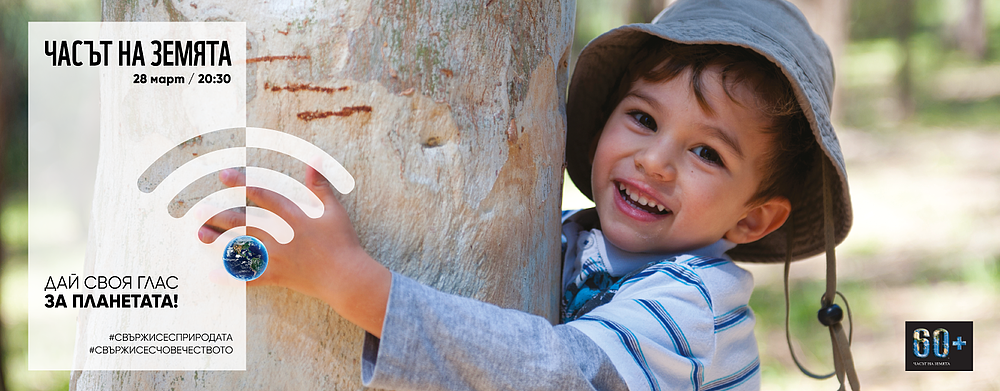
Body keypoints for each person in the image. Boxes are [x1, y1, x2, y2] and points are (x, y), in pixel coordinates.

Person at [200, 0, 855, 389]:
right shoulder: (575, 237)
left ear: (754, 216)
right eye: (644, 119)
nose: (655, 161)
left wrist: (352, 282)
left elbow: (561, 372)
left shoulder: (696, 307)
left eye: (706, 152)